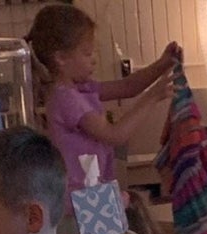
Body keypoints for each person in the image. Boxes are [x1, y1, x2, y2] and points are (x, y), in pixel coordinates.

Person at [26, 3, 178, 204]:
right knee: (115, 232)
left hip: (92, 191)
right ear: (61, 58)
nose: (94, 60)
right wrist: (153, 97)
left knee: (125, 225)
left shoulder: (80, 89)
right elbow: (115, 135)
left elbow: (128, 87)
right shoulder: (66, 98)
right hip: (81, 198)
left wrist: (163, 63)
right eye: (87, 53)